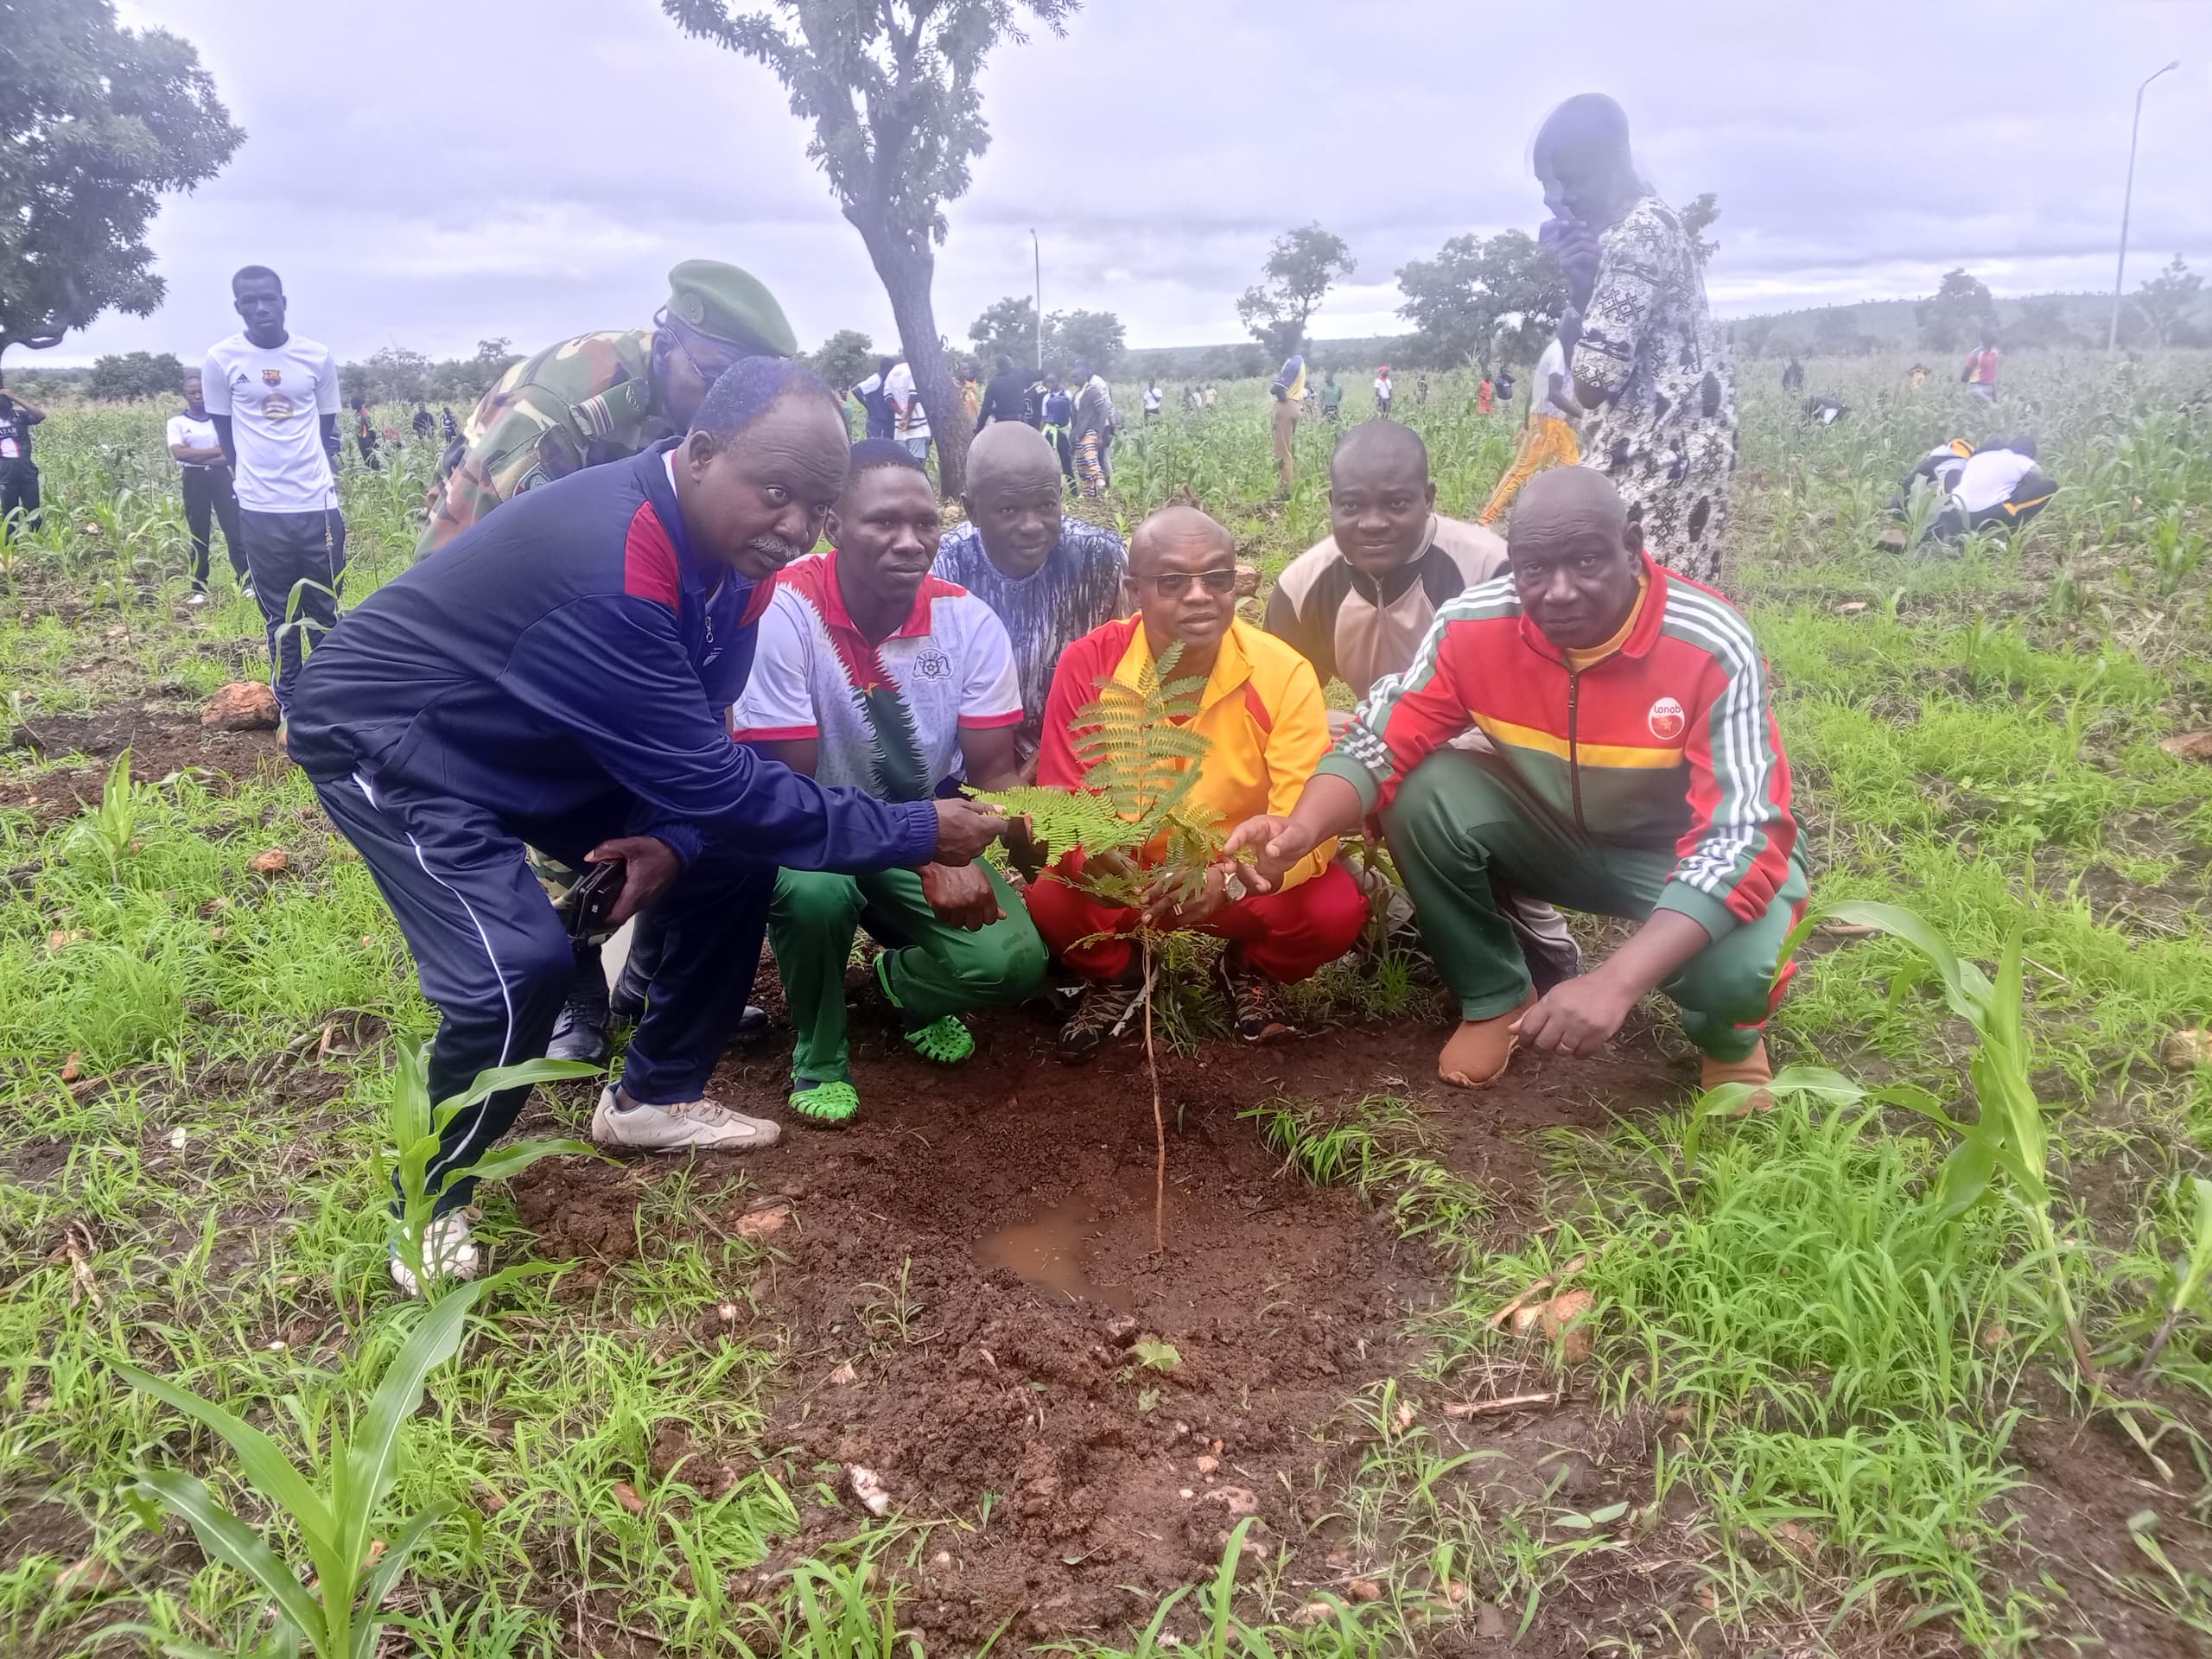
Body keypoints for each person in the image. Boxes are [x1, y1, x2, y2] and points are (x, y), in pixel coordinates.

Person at [284, 359, 1008, 1293]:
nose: (793, 527)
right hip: (399, 736)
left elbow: (705, 743)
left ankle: (654, 1095)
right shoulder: (617, 565)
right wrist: (917, 830)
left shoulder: (739, 564)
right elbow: (725, 782)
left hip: (543, 725)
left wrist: (673, 837)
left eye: (814, 506)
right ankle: (429, 1195)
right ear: (700, 454)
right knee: (516, 968)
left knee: (725, 858)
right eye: (775, 492)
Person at [1222, 467, 1803, 1100]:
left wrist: (1616, 982)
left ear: (1632, 546)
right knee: (1424, 791)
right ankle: (1496, 996)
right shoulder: (1475, 625)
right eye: (1533, 568)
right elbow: (1379, 738)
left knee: (1739, 967)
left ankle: (1731, 1040)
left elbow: (1742, 834)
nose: (1557, 592)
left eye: (1585, 561)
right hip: (1552, 833)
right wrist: (1300, 828)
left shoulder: (1707, 641)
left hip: (1682, 851)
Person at [736, 442, 1045, 1125]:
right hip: (810, 832)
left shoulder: (967, 620)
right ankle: (818, 1052)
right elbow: (790, 793)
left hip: (930, 822)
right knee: (817, 895)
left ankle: (899, 986)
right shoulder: (781, 613)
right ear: (835, 526)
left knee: (1013, 965)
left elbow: (993, 772)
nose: (911, 542)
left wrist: (1026, 836)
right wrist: (926, 845)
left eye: (926, 523)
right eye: (883, 523)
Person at [1027, 505, 1370, 1059]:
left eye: (1218, 578)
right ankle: (1122, 975)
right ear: (1134, 588)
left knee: (1332, 911)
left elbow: (1305, 819)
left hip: (1235, 874)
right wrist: (1094, 853)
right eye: (1172, 581)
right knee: (1052, 900)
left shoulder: (1283, 673)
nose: (1199, 595)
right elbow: (1062, 802)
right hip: (1131, 878)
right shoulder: (1089, 664)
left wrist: (1228, 879)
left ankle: (1249, 971)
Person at [1267, 420, 1580, 988]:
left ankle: (1533, 932)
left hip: (1487, 745)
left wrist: (1392, 760)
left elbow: (1532, 716)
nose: (1373, 524)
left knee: (1423, 778)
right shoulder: (1302, 586)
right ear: (1331, 503)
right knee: (1298, 763)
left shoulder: (1490, 571)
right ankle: (1385, 915)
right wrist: (1344, 758)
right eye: (1352, 505)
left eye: (1396, 503)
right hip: (1382, 737)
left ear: (1429, 499)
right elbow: (1278, 712)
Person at [422, 261, 797, 557]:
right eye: (714, 378)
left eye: (747, 388)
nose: (728, 404)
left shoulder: (696, 397)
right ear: (664, 350)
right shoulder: (555, 412)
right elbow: (451, 559)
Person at [1539, 94, 1736, 585]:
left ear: (1615, 163)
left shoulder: (1638, 235)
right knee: (1658, 605)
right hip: (1671, 448)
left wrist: (1575, 379)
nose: (1566, 197)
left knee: (1651, 608)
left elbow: (1591, 384)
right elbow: (1614, 349)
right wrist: (1583, 286)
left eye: (1576, 179)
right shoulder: (1636, 228)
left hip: (1661, 456)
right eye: (1558, 184)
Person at [934, 422, 1128, 769]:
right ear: (972, 510)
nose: (1032, 525)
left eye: (1046, 505)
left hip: (1083, 756)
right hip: (964, 767)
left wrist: (1060, 752)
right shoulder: (941, 573)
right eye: (1008, 510)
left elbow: (1132, 673)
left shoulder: (1102, 562)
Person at [204, 265, 346, 714]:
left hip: (318, 504)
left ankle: (326, 697)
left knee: (324, 608)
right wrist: (253, 482)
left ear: (284, 301)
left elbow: (325, 432)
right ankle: (288, 700)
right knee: (279, 613)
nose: (261, 308)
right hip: (261, 508)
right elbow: (225, 439)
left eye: (269, 298)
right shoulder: (221, 360)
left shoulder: (316, 357)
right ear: (238, 307)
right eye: (250, 301)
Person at [1479, 334, 1582, 525]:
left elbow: (1532, 392)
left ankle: (1568, 521)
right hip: (1545, 423)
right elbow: (1554, 394)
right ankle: (1484, 522)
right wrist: (1584, 416)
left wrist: (1526, 425)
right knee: (1518, 473)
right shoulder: (1558, 352)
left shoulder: (1566, 352)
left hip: (1559, 425)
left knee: (1575, 472)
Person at [169, 374, 250, 607]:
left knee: (234, 530)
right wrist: (215, 451)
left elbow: (229, 454)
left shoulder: (220, 421)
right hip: (194, 479)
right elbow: (179, 454)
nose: (197, 396)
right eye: (192, 393)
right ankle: (199, 588)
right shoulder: (176, 424)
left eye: (201, 392)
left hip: (221, 478)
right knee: (199, 533)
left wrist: (197, 453)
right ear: (185, 396)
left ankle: (245, 582)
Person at [1925, 437, 2056, 547]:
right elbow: (2035, 480)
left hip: (1955, 514)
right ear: (2030, 454)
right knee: (2051, 486)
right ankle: (2002, 535)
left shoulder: (1980, 457)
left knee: (1955, 475)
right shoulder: (2023, 461)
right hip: (1988, 516)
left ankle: (1952, 536)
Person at [0, 373, 48, 533]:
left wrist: (15, 397)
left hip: (27, 472)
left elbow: (41, 415)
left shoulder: (20, 416)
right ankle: (11, 552)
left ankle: (39, 550)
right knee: (9, 518)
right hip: (5, 475)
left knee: (34, 514)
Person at [1071, 359, 1113, 499]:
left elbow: (1103, 411)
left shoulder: (1092, 391)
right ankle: (1091, 494)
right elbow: (1076, 417)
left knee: (1090, 456)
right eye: (1072, 377)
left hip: (1091, 429)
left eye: (1076, 377)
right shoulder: (1076, 395)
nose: (1073, 379)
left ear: (1084, 376)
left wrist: (1100, 435)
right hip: (1080, 432)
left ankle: (1100, 478)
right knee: (1082, 464)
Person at [1270, 353, 1307, 494]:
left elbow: (1276, 388)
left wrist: (1281, 395)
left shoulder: (1294, 363)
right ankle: (1286, 487)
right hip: (1293, 405)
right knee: (1286, 450)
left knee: (1283, 453)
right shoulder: (1299, 361)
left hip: (1286, 406)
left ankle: (1286, 491)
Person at [886, 353, 931, 465]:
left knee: (904, 464)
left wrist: (902, 414)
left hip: (900, 428)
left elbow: (887, 398)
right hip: (917, 428)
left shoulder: (890, 374)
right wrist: (908, 415)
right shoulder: (912, 371)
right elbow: (914, 394)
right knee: (918, 464)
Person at [976, 353, 1030, 431]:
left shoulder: (993, 383)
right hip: (1019, 421)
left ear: (998, 367)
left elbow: (985, 409)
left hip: (1001, 423)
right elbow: (1039, 375)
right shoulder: (1019, 377)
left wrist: (978, 430)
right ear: (1010, 365)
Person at [1040, 372, 1076, 486]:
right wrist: (1040, 435)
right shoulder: (1046, 397)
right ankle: (1050, 487)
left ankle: (1073, 489)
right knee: (1048, 461)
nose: (1050, 384)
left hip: (1063, 432)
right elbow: (1044, 418)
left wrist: (1074, 431)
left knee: (1066, 461)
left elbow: (1073, 414)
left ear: (1059, 381)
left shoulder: (1068, 395)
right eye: (1048, 382)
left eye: (1052, 381)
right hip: (1050, 432)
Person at [851, 356, 896, 441]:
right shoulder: (875, 380)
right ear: (887, 369)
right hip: (876, 423)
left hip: (883, 422)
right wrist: (870, 408)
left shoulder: (884, 380)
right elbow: (856, 390)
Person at [1962, 332, 2000, 403]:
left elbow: (1964, 378)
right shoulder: (1995, 353)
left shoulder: (1975, 353)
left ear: (1981, 341)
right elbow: (1992, 374)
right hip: (1990, 388)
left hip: (1976, 388)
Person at [352, 398, 383, 472]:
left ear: (358, 404)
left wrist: (373, 442)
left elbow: (371, 430)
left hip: (366, 440)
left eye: (353, 403)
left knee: (372, 461)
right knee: (366, 461)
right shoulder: (357, 414)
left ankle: (377, 474)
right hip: (361, 441)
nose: (351, 405)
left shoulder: (365, 415)